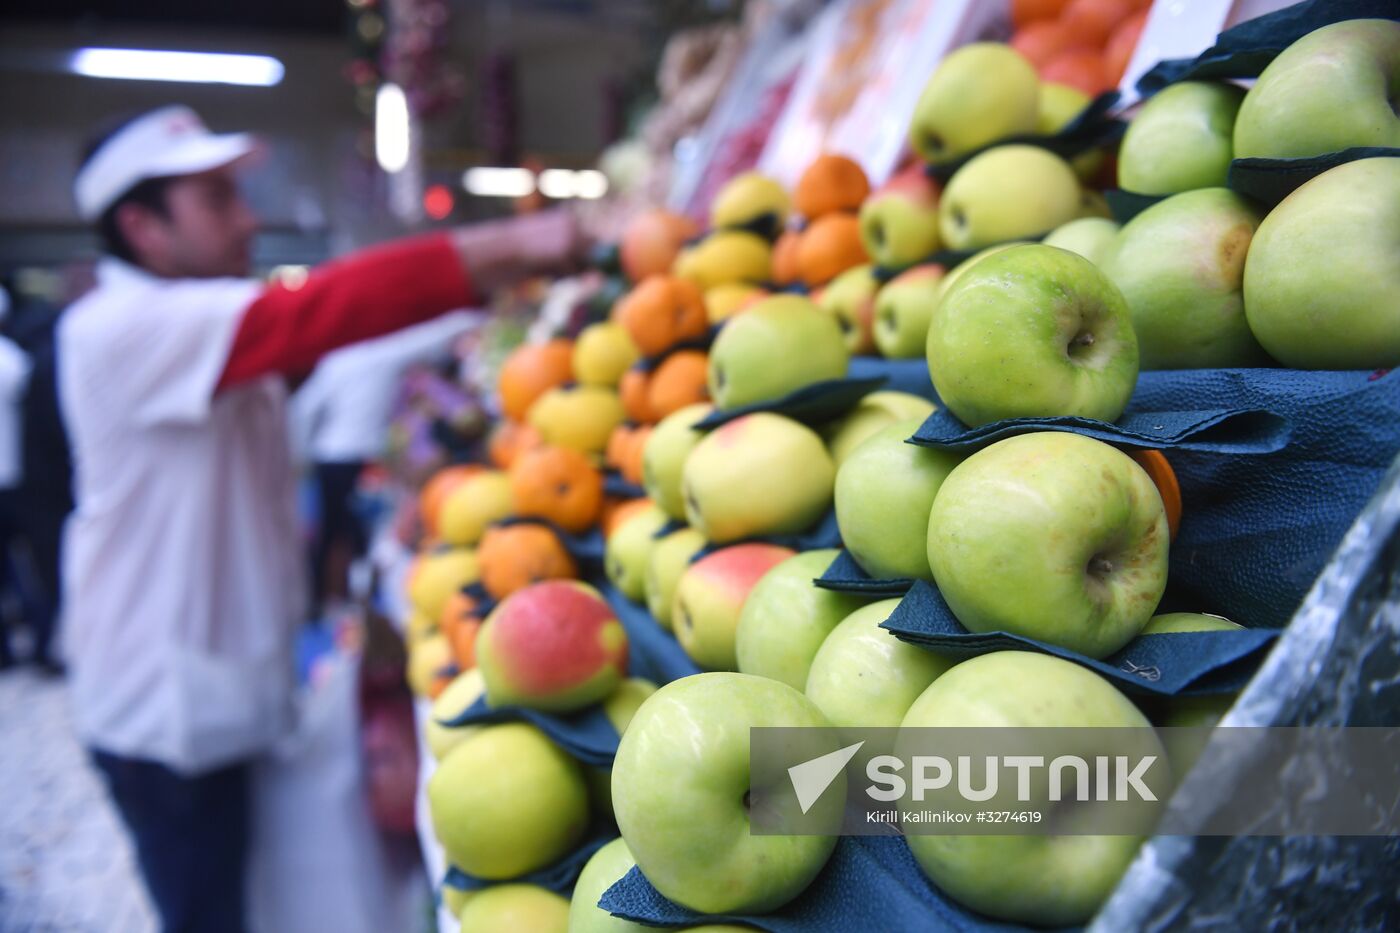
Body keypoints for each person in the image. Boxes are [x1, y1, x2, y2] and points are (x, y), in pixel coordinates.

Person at [60, 105, 584, 933]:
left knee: (248, 893)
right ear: (142, 226)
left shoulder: (197, 320)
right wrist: (531, 241)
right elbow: (315, 315)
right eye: (217, 199)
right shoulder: (118, 327)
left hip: (220, 688)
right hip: (163, 710)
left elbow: (337, 340)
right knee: (208, 908)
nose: (248, 218)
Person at [289, 311, 476, 616]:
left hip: (330, 455)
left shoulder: (336, 359)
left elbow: (307, 408)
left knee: (332, 529)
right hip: (356, 456)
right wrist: (468, 317)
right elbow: (426, 341)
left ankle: (326, 600)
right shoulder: (381, 353)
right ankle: (349, 601)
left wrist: (302, 453)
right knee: (354, 530)